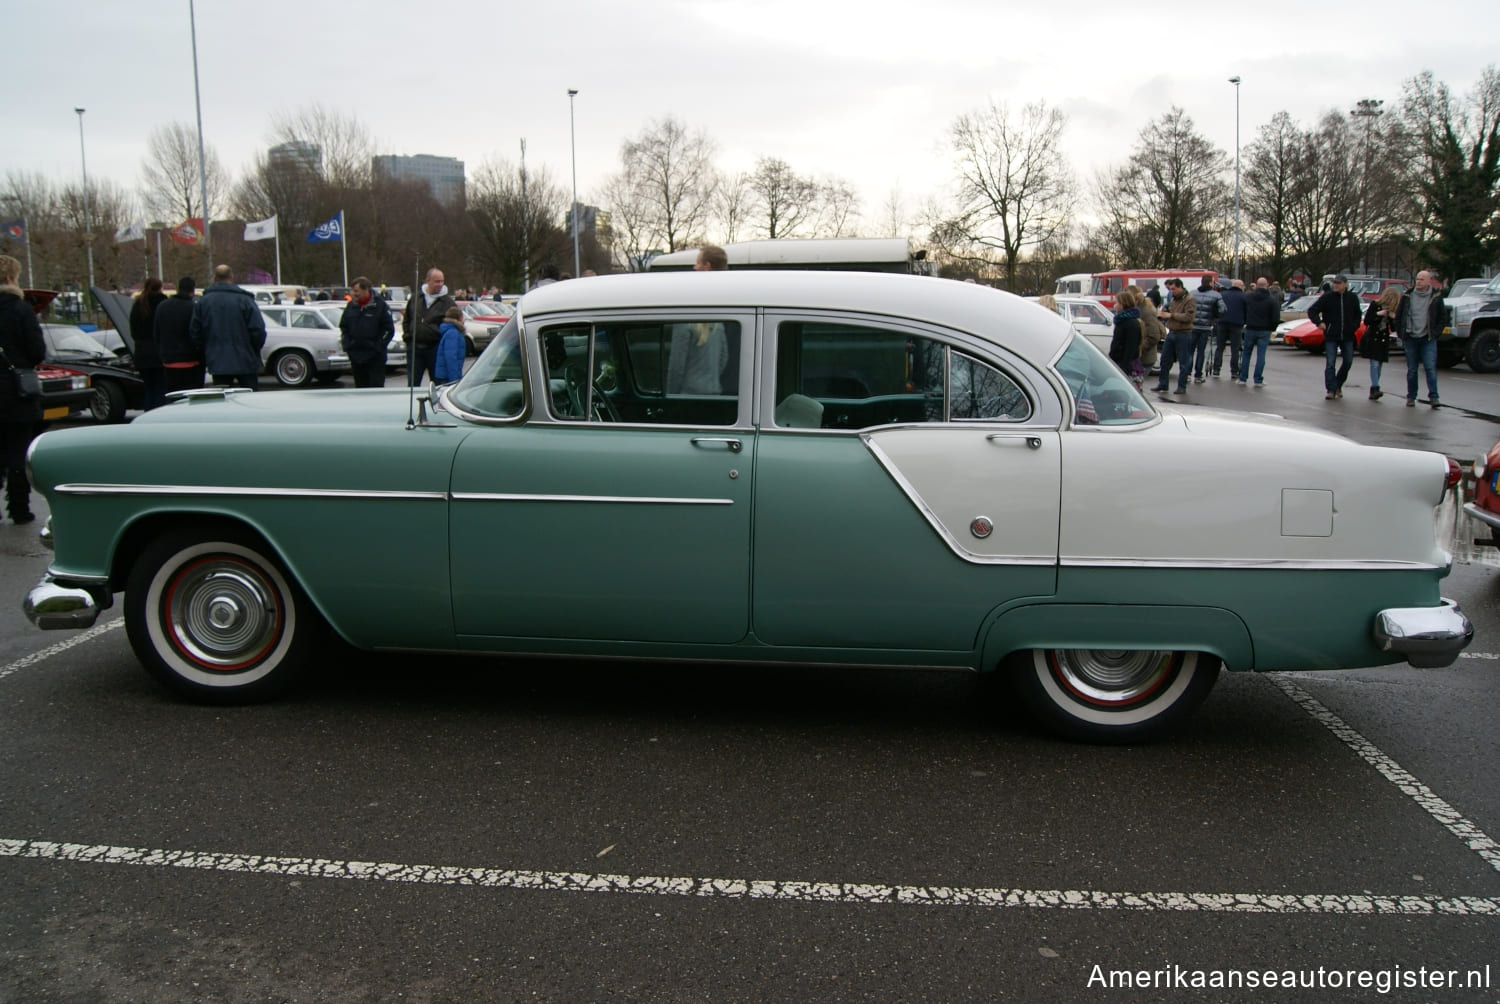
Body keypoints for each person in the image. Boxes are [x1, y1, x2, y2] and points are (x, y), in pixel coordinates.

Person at [0, 254, 44, 524]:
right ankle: (18, 508)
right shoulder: (20, 310)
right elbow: (37, 351)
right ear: (10, 278)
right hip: (16, 392)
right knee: (18, 451)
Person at [189, 264, 266, 390]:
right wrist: (253, 349)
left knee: (222, 400)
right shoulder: (245, 300)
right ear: (231, 277)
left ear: (215, 278)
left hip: (218, 360)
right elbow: (258, 329)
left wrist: (206, 350)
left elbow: (195, 331)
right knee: (251, 400)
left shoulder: (204, 302)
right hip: (246, 359)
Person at [667, 245, 730, 394]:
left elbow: (677, 366)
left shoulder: (687, 314)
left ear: (707, 267)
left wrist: (669, 396)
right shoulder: (719, 314)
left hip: (688, 396)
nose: (694, 268)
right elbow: (723, 358)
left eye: (697, 263)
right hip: (714, 392)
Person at [1396, 269, 1447, 407]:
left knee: (1430, 368)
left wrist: (1435, 333)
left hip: (1427, 338)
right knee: (1412, 370)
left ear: (1429, 281)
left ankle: (1434, 397)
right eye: (1417, 279)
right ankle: (1411, 396)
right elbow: (1399, 315)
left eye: (1422, 279)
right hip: (1410, 337)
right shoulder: (1407, 296)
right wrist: (1401, 333)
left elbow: (1443, 317)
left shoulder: (1435, 297)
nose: (1418, 282)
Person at [1307, 274, 1361, 400]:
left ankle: (1338, 384)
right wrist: (1319, 323)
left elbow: (1357, 314)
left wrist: (1354, 326)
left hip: (1347, 335)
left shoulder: (1352, 298)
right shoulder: (1328, 297)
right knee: (1330, 363)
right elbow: (1312, 310)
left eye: (1338, 283)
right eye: (1334, 283)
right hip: (1331, 335)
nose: (1335, 285)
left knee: (1348, 361)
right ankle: (1331, 389)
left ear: (1345, 284)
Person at [339, 276, 396, 388]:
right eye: (352, 291)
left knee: (375, 389)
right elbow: (344, 327)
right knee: (360, 390)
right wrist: (348, 345)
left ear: (366, 290)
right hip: (356, 357)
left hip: (375, 358)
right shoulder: (351, 307)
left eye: (356, 291)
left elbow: (389, 329)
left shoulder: (380, 306)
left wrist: (378, 347)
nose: (353, 294)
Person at [402, 268, 455, 387]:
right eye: (437, 281)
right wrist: (408, 338)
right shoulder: (416, 298)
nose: (440, 284)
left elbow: (454, 325)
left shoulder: (448, 302)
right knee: (412, 384)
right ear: (427, 281)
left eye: (442, 281)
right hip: (415, 348)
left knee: (438, 384)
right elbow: (407, 319)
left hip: (435, 349)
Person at [155, 276, 205, 394]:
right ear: (192, 291)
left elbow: (157, 334)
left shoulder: (162, 307)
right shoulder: (194, 308)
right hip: (192, 362)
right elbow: (198, 333)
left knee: (173, 398)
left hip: (169, 361)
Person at [129, 277, 168, 409]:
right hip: (158, 353)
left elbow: (133, 331)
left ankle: (148, 414)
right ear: (160, 288)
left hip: (141, 353)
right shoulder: (163, 303)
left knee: (149, 388)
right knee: (160, 388)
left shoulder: (138, 304)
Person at [1153, 278, 1196, 395]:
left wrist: (1171, 315)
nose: (1172, 291)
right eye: (1170, 289)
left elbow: (1188, 317)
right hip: (1172, 332)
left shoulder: (1189, 299)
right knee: (1165, 359)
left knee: (1183, 361)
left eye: (1174, 289)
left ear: (1180, 287)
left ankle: (1182, 386)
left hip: (1184, 333)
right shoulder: (1173, 299)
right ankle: (1163, 384)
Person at [1238, 277, 1281, 387]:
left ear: (1256, 285)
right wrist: (1272, 328)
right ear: (1267, 285)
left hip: (1251, 328)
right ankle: (1258, 379)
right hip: (1264, 330)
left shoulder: (1248, 297)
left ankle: (1243, 378)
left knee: (1246, 354)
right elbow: (1276, 317)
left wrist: (1245, 322)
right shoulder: (1272, 300)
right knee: (1261, 355)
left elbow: (1243, 310)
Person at [1360, 287, 1400, 400]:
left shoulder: (1393, 310)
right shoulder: (1375, 304)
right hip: (1373, 337)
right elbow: (1367, 320)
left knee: (1379, 364)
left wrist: (1393, 318)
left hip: (1383, 338)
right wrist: (1379, 314)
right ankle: (1375, 387)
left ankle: (1374, 388)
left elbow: (1393, 328)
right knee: (1374, 363)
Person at [1189, 275, 1222, 384]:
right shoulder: (1216, 295)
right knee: (1201, 351)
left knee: (1189, 351)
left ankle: (1187, 373)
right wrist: (1214, 316)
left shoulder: (1193, 293)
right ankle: (1198, 375)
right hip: (1206, 326)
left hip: (1192, 325)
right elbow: (1223, 309)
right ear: (1210, 283)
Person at [1108, 288, 1144, 388]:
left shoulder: (1131, 324)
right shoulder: (1122, 321)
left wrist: (1123, 367)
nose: (1114, 305)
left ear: (1123, 304)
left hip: (1126, 366)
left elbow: (1130, 348)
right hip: (1118, 361)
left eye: (1117, 302)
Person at [1213, 278, 1247, 380]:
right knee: (1235, 349)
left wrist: (1217, 318)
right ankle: (1234, 371)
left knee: (1220, 347)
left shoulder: (1223, 295)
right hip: (1237, 324)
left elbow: (1216, 308)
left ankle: (1216, 369)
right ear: (1241, 286)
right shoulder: (1244, 297)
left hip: (1222, 323)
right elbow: (1246, 311)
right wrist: (1244, 321)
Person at [1131, 284, 1165, 377]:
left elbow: (1154, 336)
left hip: (1144, 359)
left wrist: (1137, 350)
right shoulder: (1138, 310)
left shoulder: (1146, 312)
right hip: (1140, 358)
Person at [433, 307, 467, 384]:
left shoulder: (450, 331)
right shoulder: (453, 333)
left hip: (444, 375)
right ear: (460, 318)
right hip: (447, 377)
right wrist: (454, 380)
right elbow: (451, 358)